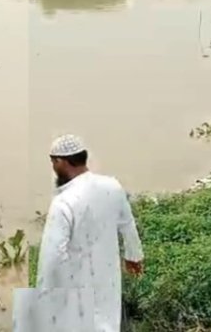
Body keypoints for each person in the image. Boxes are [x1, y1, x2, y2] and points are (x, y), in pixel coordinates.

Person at [37, 134, 144, 332]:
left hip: (75, 282)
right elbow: (127, 223)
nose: (53, 168)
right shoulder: (112, 186)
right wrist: (133, 256)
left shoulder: (63, 201)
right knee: (106, 321)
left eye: (53, 162)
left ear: (61, 161)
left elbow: (51, 256)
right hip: (107, 277)